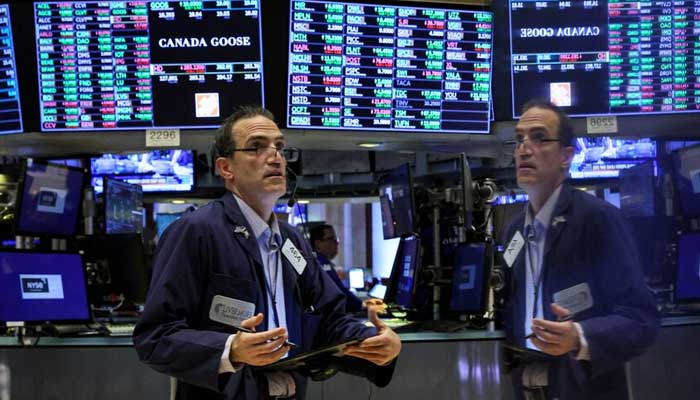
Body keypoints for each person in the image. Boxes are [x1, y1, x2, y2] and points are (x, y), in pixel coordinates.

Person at [133, 106, 401, 400]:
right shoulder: (196, 231)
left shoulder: (292, 240)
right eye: (256, 147)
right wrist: (231, 349)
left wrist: (372, 342)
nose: (275, 156)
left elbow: (329, 320)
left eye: (280, 147)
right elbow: (155, 337)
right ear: (226, 168)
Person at [501, 100, 658, 400]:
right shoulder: (514, 231)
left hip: (584, 389)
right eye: (519, 139)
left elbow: (642, 319)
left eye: (538, 137)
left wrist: (579, 336)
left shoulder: (596, 218)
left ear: (566, 156)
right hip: (530, 389)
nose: (524, 148)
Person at [309, 224, 363, 312]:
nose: (336, 242)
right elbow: (339, 292)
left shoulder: (318, 261)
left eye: (336, 239)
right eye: (331, 239)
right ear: (318, 243)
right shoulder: (321, 263)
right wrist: (362, 305)